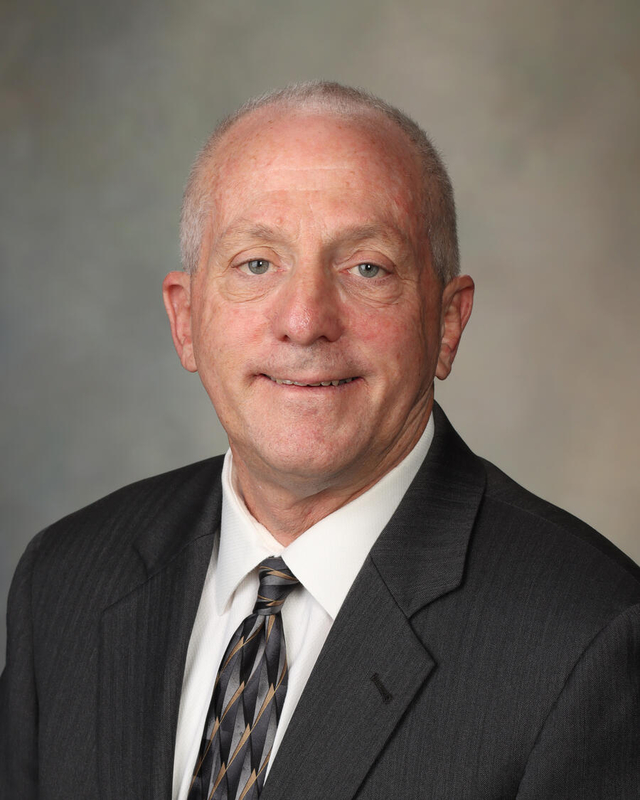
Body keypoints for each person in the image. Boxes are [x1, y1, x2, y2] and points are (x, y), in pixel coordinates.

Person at [1, 81, 639, 800]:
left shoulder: (590, 637)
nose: (305, 321)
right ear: (185, 320)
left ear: (447, 323)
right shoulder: (65, 581)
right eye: (257, 264)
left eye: (367, 268)